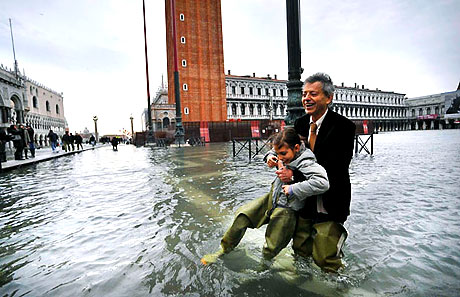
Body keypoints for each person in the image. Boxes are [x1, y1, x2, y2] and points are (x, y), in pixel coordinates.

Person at [201, 127, 329, 265]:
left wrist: (293, 188)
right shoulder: (285, 147)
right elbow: (273, 151)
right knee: (242, 216)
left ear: (296, 148)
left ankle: (263, 268)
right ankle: (224, 250)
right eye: (278, 154)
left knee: (271, 247)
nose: (280, 158)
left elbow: (323, 183)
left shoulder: (306, 162)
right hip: (272, 197)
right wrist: (270, 157)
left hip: (288, 208)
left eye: (283, 154)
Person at [276, 73, 356, 272]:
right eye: (304, 94)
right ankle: (303, 283)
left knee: (326, 256)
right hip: (304, 200)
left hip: (330, 200)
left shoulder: (344, 127)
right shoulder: (301, 124)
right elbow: (288, 153)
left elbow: (336, 167)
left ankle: (337, 286)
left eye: (313, 94)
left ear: (328, 98)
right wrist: (278, 162)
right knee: (300, 248)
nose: (306, 99)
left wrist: (293, 177)